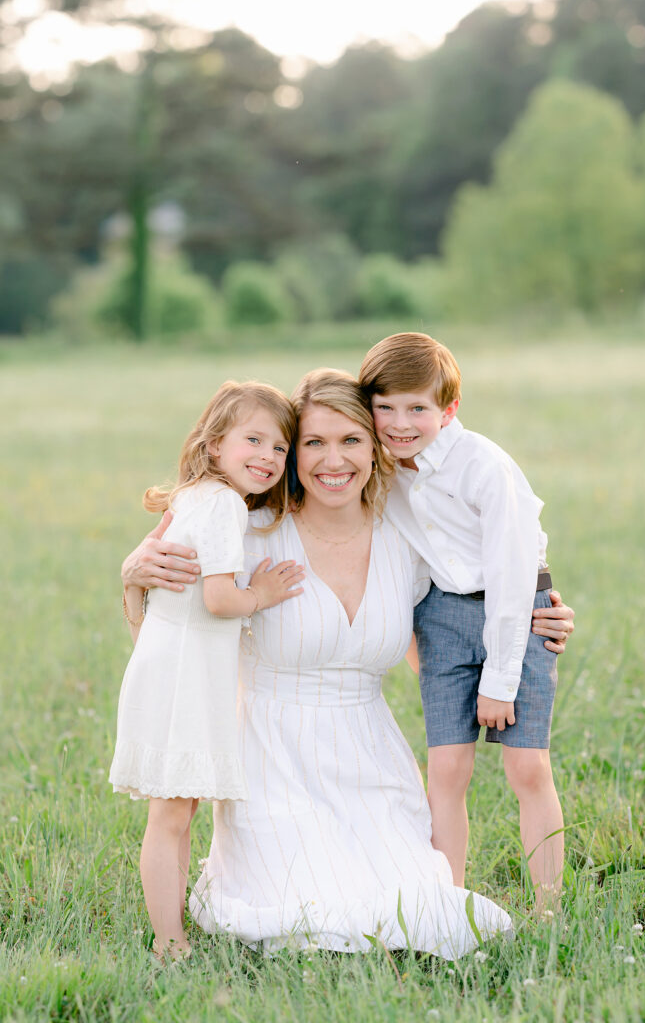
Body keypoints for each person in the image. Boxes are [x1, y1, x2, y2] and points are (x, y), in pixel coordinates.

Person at [123, 369, 521, 958]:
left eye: (351, 440)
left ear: (375, 446)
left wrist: (545, 621)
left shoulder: (408, 541)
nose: (333, 460)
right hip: (272, 758)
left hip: (373, 760)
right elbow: (167, 619)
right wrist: (131, 576)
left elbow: (467, 617)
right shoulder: (250, 531)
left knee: (418, 908)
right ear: (292, 453)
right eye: (313, 442)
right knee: (308, 913)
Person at [359, 332, 570, 910]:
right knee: (447, 769)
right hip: (442, 619)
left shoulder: (483, 465)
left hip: (517, 612)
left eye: (417, 409)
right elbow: (407, 563)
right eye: (386, 408)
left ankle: (549, 909)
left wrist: (500, 680)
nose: (401, 423)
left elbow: (512, 571)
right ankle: (446, 905)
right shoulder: (384, 472)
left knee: (527, 767)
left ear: (448, 409)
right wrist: (412, 641)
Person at [111, 380, 305, 960]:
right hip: (188, 674)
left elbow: (147, 590)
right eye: (254, 440)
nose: (268, 458)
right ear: (215, 443)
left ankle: (174, 929)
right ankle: (169, 943)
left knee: (177, 808)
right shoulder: (222, 504)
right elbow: (221, 600)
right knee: (171, 814)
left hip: (170, 662)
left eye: (280, 448)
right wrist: (263, 593)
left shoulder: (192, 497)